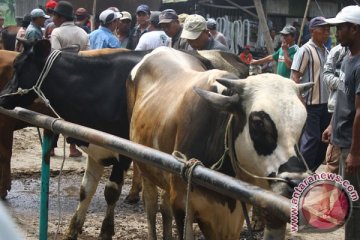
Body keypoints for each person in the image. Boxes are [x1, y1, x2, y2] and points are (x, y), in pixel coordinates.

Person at [321, 6, 360, 239]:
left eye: (340, 28)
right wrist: (332, 125)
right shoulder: (347, 59)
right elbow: (343, 100)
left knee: (354, 200)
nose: (336, 33)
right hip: (343, 138)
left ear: (354, 29)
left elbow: (359, 111)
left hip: (353, 145)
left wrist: (355, 152)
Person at [291, 17, 331, 171]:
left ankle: (309, 171)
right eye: (323, 29)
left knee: (323, 141)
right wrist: (301, 100)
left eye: (328, 30)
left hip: (326, 105)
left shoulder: (326, 51)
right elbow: (295, 77)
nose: (326, 33)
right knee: (312, 139)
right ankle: (299, 174)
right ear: (312, 31)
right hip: (310, 104)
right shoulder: (305, 50)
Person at [322, 42, 349, 173]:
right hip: (339, 110)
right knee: (334, 160)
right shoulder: (337, 51)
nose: (337, 32)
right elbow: (326, 75)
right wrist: (345, 84)